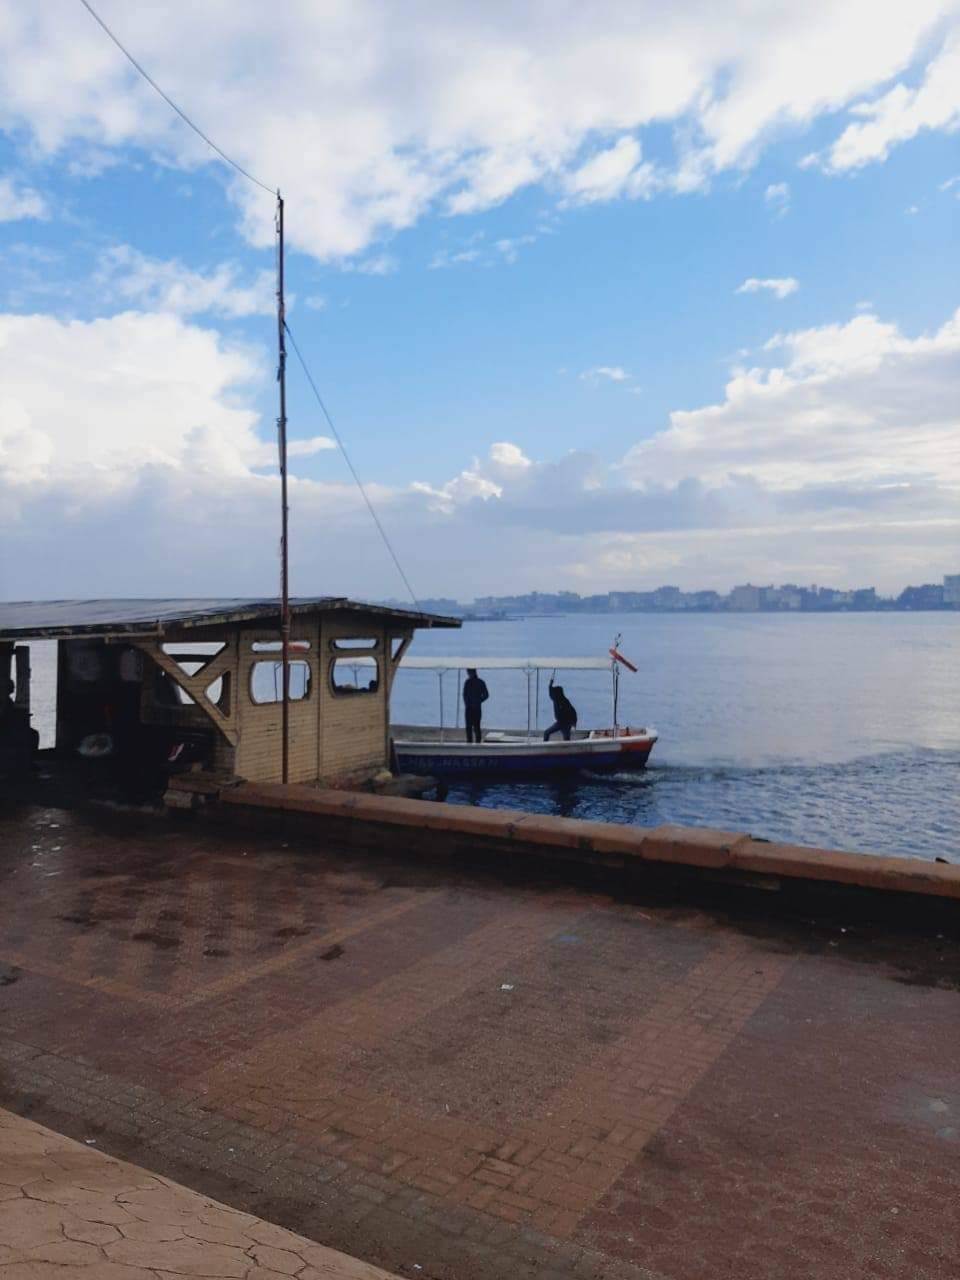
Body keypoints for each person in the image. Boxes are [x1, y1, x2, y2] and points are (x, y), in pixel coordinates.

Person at [544, 677, 577, 741]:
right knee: (546, 733)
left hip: (566, 723)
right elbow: (551, 693)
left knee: (566, 739)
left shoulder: (565, 702)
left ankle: (567, 746)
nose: (553, 694)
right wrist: (550, 684)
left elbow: (573, 713)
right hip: (559, 723)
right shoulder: (555, 699)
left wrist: (574, 725)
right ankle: (544, 745)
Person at [462, 668, 489, 744]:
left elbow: (486, 695)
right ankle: (475, 743)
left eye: (468, 672)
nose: (468, 674)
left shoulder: (470, 682)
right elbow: (486, 695)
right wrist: (479, 701)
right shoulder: (477, 682)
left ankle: (472, 743)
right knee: (474, 727)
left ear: (472, 672)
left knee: (472, 727)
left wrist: (477, 701)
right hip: (473, 707)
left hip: (472, 708)